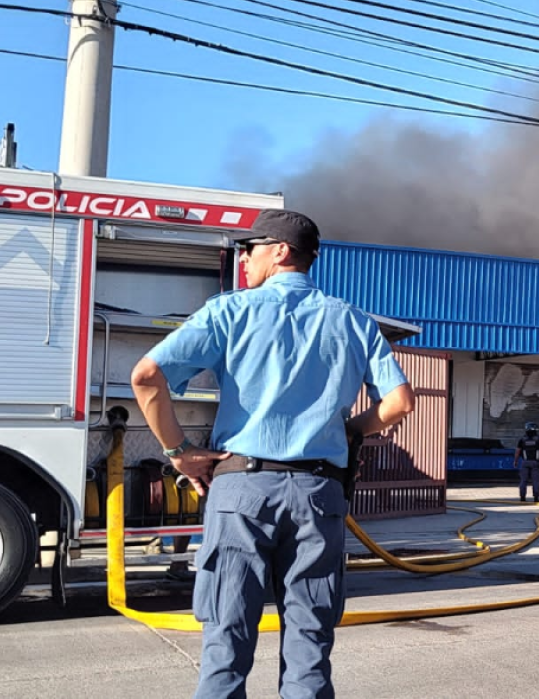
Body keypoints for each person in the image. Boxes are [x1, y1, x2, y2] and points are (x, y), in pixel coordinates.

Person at [130, 208, 415, 698]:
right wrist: (349, 429)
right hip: (319, 496)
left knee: (225, 645)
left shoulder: (229, 311)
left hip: (241, 491)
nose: (243, 258)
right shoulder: (350, 320)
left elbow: (146, 377)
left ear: (279, 251)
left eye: (250, 247)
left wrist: (179, 451)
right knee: (308, 647)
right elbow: (398, 403)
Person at [514, 422, 539, 502]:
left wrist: (515, 461)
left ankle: (522, 497)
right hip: (535, 463)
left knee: (523, 480)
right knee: (536, 480)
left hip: (525, 462)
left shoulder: (522, 440)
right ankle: (536, 497)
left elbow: (517, 451)